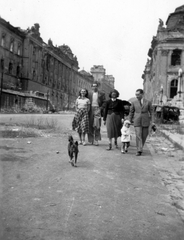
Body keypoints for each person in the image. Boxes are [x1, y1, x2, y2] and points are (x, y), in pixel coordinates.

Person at [129, 89, 154, 156]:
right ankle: (139, 150)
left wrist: (152, 121)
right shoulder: (134, 102)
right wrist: (129, 120)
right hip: (137, 120)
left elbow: (151, 112)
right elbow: (131, 112)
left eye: (138, 94)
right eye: (136, 95)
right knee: (138, 135)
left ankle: (140, 147)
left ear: (142, 94)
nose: (136, 96)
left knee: (144, 136)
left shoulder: (148, 102)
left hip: (146, 120)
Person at [88, 82, 106, 146]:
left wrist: (100, 108)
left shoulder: (101, 93)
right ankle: (91, 140)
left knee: (97, 125)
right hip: (90, 109)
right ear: (91, 87)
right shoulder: (89, 93)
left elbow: (104, 102)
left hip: (97, 109)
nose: (94, 87)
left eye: (96, 86)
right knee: (90, 125)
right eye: (93, 86)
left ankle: (96, 140)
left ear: (97, 87)